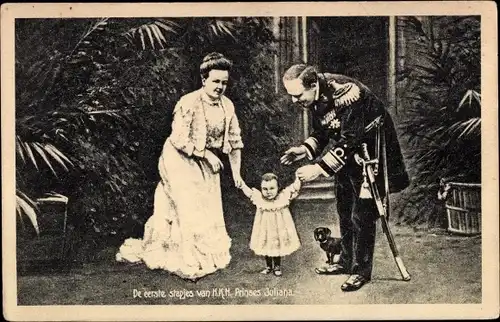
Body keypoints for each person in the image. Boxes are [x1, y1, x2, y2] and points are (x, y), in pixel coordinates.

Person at [280, 64, 409, 292]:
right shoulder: (314, 95)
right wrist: (304, 149)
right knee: (344, 206)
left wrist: (318, 168)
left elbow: (350, 138)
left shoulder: (346, 92)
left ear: (313, 85)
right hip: (348, 153)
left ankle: (361, 271)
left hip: (372, 153)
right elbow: (323, 130)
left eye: (298, 95)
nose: (294, 101)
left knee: (363, 213)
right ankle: (345, 262)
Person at [116, 52, 244, 281]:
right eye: (215, 81)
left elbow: (235, 142)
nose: (220, 87)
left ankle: (203, 254)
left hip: (205, 160)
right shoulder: (188, 102)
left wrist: (237, 174)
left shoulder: (228, 106)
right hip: (178, 157)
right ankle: (187, 259)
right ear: (204, 80)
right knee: (187, 205)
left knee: (206, 206)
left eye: (224, 82)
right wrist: (205, 154)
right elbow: (179, 138)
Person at [239, 173, 302, 277]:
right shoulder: (260, 199)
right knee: (266, 244)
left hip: (278, 227)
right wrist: (241, 184)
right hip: (265, 228)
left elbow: (294, 188)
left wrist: (298, 178)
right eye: (265, 189)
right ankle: (268, 266)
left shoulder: (282, 197)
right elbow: (250, 193)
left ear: (278, 188)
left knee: (277, 244)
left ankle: (277, 266)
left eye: (272, 188)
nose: (268, 192)